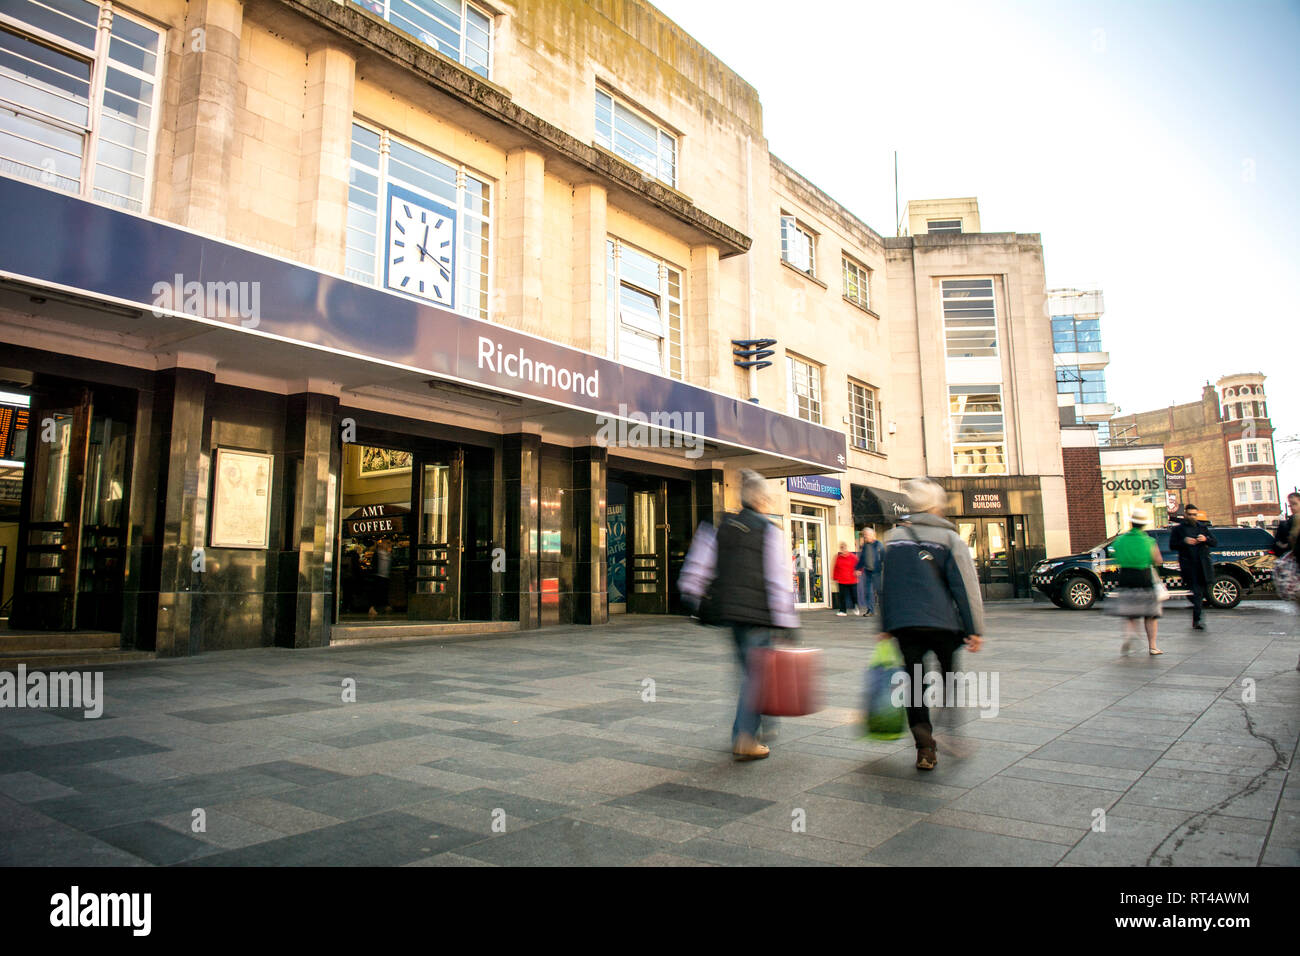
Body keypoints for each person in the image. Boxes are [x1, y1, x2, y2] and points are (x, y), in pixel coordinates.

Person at [678, 469, 799, 761]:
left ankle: (757, 725)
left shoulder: (722, 526)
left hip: (730, 614)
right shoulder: (770, 532)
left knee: (749, 672)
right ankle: (746, 735)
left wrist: (692, 598)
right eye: (767, 498)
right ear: (760, 499)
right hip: (759, 615)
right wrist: (788, 620)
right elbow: (778, 579)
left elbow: (696, 568)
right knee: (757, 676)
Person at [878, 477, 984, 771]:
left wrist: (885, 624)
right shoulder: (951, 539)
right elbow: (965, 586)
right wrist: (974, 628)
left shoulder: (893, 538)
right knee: (949, 677)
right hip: (943, 624)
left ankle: (924, 746)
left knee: (914, 684)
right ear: (936, 506)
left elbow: (885, 585)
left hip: (905, 625)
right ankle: (949, 730)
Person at [1105, 506, 1164, 655]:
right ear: (1144, 524)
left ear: (1131, 523)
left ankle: (1129, 636)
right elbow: (1158, 560)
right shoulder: (1148, 541)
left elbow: (1114, 554)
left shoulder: (1120, 540)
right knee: (1150, 615)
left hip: (1125, 578)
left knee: (1130, 614)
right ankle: (1152, 646)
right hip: (1144, 578)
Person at [1170, 504, 1216, 630]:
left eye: (1194, 514)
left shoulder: (1202, 527)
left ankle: (1198, 615)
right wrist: (1184, 542)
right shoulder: (1179, 529)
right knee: (1196, 593)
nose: (1192, 517)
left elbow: (1215, 542)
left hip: (1203, 566)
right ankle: (1198, 618)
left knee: (1201, 592)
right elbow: (1172, 545)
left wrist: (1205, 539)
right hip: (1189, 566)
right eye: (1189, 514)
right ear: (1185, 514)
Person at [856, 527, 884, 616]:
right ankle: (870, 610)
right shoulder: (865, 546)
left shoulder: (879, 545)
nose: (865, 537)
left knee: (879, 591)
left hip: (877, 572)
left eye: (866, 535)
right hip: (868, 571)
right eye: (864, 535)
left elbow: (884, 557)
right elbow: (862, 559)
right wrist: (857, 568)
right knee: (868, 592)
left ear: (872, 535)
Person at [369, 537, 394, 617]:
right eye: (387, 543)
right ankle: (374, 608)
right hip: (378, 576)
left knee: (383, 592)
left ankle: (384, 607)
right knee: (378, 593)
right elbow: (374, 564)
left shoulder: (388, 554)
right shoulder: (378, 553)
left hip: (385, 576)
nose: (388, 545)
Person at [832, 541, 858, 616]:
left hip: (852, 579)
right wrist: (835, 577)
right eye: (841, 548)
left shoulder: (853, 557)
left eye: (844, 548)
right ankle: (843, 611)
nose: (843, 550)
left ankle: (855, 606)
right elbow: (836, 568)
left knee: (854, 595)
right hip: (842, 580)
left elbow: (858, 565)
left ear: (846, 548)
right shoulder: (838, 558)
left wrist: (858, 571)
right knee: (842, 596)